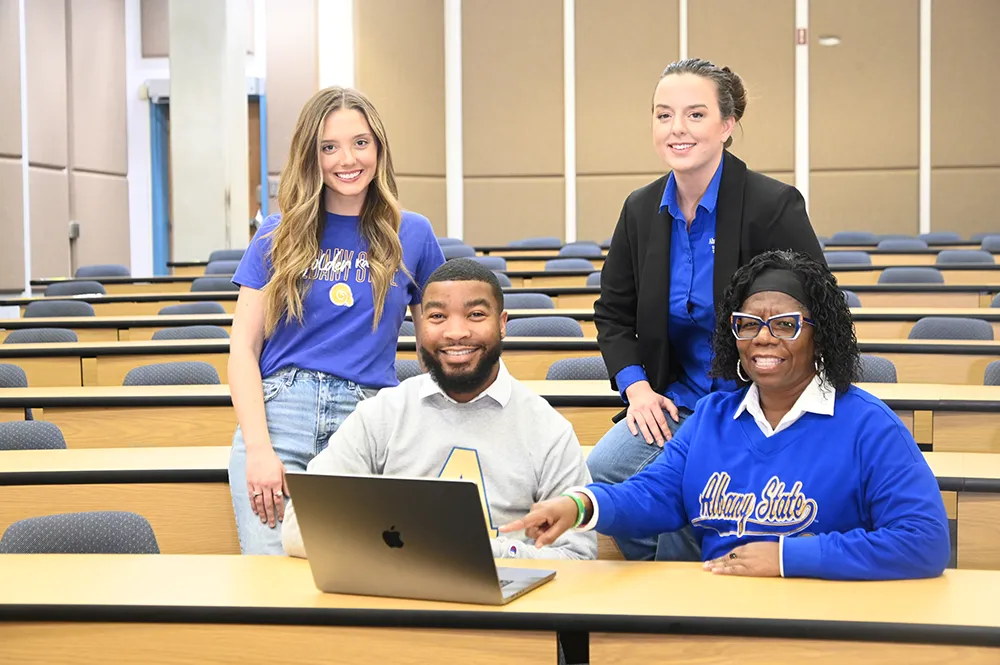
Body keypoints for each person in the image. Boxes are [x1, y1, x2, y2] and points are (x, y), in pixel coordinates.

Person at [504, 250, 950, 581]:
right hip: (720, 609)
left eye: (785, 325)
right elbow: (657, 494)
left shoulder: (869, 426)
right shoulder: (712, 417)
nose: (764, 338)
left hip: (822, 617)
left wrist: (785, 558)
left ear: (819, 336)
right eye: (749, 324)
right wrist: (582, 504)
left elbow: (923, 541)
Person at [590, 58, 825, 562]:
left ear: (727, 124)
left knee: (692, 490)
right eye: (663, 115)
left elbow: (814, 312)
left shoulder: (773, 205)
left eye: (695, 115)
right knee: (604, 468)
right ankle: (666, 577)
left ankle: (682, 603)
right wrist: (637, 390)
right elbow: (613, 314)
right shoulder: (639, 209)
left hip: (752, 400)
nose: (677, 129)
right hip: (674, 401)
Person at [228, 87, 446, 555]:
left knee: (362, 579)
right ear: (312, 155)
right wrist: (259, 450)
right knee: (274, 589)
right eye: (329, 147)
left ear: (379, 148)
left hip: (367, 421)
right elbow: (242, 351)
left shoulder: (414, 233)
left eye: (360, 143)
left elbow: (437, 343)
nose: (347, 159)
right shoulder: (276, 234)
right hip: (281, 416)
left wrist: (437, 426)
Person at [281, 259, 597, 561]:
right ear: (420, 327)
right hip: (398, 600)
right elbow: (298, 524)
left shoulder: (547, 430)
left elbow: (576, 553)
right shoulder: (380, 415)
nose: (455, 332)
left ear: (502, 325)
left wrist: (492, 553)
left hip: (508, 610)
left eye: (475, 314)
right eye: (437, 317)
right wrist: (404, 552)